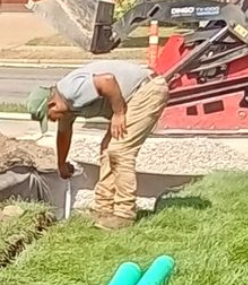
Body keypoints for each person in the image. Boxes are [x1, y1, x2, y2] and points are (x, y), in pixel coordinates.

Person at [28, 60, 169, 230]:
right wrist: (61, 163)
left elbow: (107, 80)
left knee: (120, 151)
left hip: (147, 90)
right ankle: (104, 210)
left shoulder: (70, 90)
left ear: (52, 104)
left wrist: (118, 114)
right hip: (132, 98)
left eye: (50, 117)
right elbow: (64, 134)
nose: (53, 120)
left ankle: (124, 215)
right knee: (107, 150)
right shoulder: (65, 108)